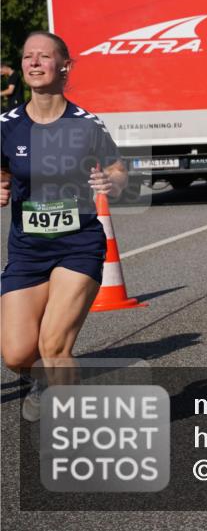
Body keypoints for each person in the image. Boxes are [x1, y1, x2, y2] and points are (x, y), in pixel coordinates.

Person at [1, 31, 128, 421]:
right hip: (27, 249)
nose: (34, 63)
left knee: (54, 346)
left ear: (64, 67)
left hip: (78, 245)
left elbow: (118, 169)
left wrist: (113, 183)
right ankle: (46, 380)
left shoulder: (86, 124)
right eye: (28, 57)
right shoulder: (7, 125)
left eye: (44, 57)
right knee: (18, 353)